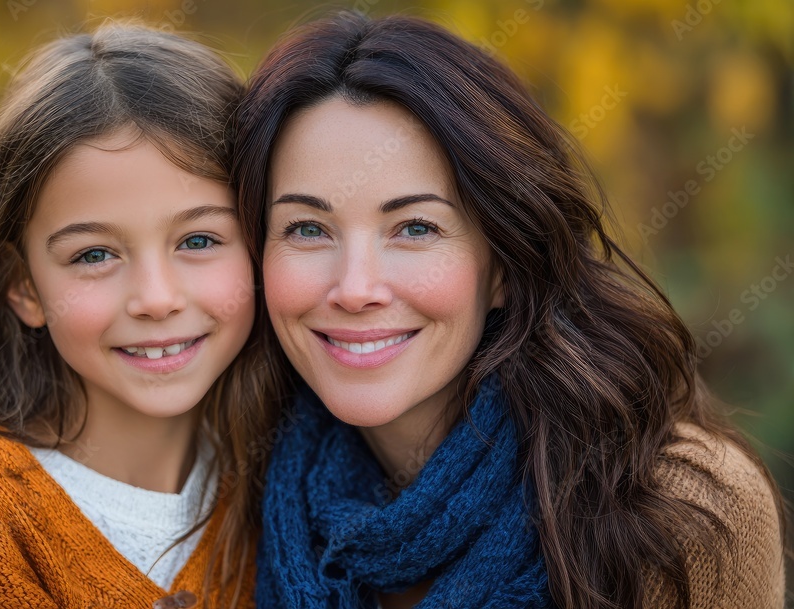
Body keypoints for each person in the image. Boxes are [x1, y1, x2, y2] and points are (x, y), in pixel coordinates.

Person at [233, 12, 787, 609]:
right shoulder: (231, 505)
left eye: (415, 228)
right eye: (308, 229)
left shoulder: (681, 514)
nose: (355, 287)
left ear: (503, 267)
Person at [0, 22, 280, 609]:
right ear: (23, 286)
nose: (155, 298)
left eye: (199, 240)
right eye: (94, 255)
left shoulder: (289, 472)